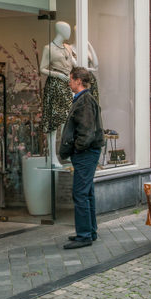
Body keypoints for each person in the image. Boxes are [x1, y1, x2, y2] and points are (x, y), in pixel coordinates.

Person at [59, 67, 104, 249]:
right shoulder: (84, 99)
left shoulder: (84, 101)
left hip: (85, 153)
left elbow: (86, 132)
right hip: (87, 153)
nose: (69, 83)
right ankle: (90, 231)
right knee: (87, 193)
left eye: (71, 79)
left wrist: (77, 149)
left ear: (78, 81)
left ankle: (84, 235)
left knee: (80, 193)